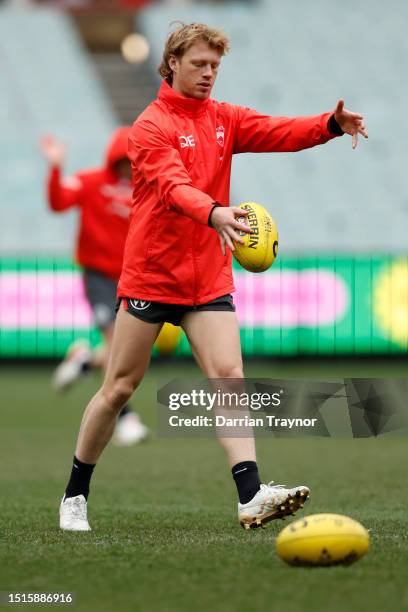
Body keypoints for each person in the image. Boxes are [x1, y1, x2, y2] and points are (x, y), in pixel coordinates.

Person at [58, 22, 368, 531]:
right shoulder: (150, 126)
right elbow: (171, 185)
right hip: (152, 275)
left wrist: (329, 125)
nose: (208, 74)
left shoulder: (223, 117)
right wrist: (214, 213)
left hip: (207, 277)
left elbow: (276, 131)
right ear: (172, 63)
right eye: (199, 64)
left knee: (229, 380)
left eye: (215, 66)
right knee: (118, 387)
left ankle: (250, 494)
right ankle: (75, 492)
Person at [41, 128, 149, 446]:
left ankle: (84, 360)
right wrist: (55, 167)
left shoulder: (145, 190)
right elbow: (58, 203)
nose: (129, 167)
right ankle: (126, 418)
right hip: (100, 277)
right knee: (118, 344)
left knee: (129, 347)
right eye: (124, 160)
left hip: (133, 278)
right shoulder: (89, 182)